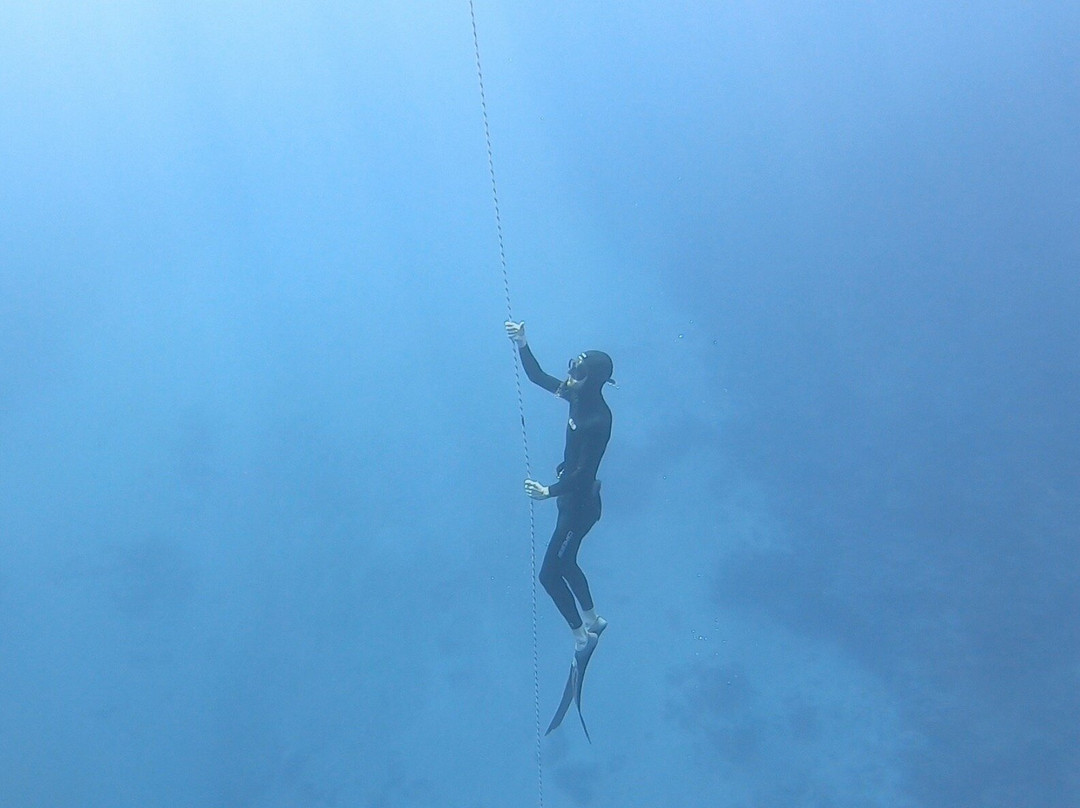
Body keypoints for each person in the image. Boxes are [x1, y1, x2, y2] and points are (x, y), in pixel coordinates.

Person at [505, 320, 614, 654]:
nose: (570, 377)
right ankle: (594, 621)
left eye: (578, 373)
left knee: (550, 576)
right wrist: (523, 343)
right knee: (567, 564)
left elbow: (582, 474)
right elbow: (538, 377)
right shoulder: (576, 396)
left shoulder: (598, 420)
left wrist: (548, 491)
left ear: (592, 381)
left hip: (579, 507)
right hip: (571, 502)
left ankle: (582, 638)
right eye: (572, 367)